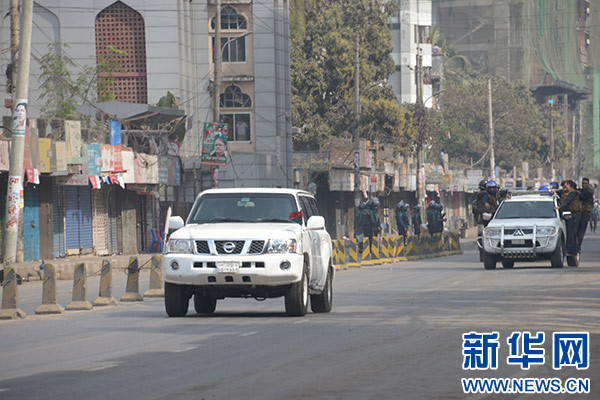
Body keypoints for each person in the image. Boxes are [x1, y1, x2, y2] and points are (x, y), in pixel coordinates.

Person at [554, 180, 582, 256]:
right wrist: (554, 192)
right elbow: (558, 193)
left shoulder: (574, 193)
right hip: (567, 215)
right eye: (563, 187)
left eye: (566, 187)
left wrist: (559, 207)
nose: (564, 189)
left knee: (572, 233)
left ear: (570, 186)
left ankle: (573, 250)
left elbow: (568, 201)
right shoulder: (563, 192)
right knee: (569, 233)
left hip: (574, 215)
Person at [577, 177, 594, 252]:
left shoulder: (588, 192)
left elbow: (581, 196)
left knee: (581, 230)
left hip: (585, 213)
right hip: (580, 212)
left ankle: (578, 245)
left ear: (588, 184)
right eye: (583, 183)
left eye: (585, 183)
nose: (584, 185)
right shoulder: (581, 190)